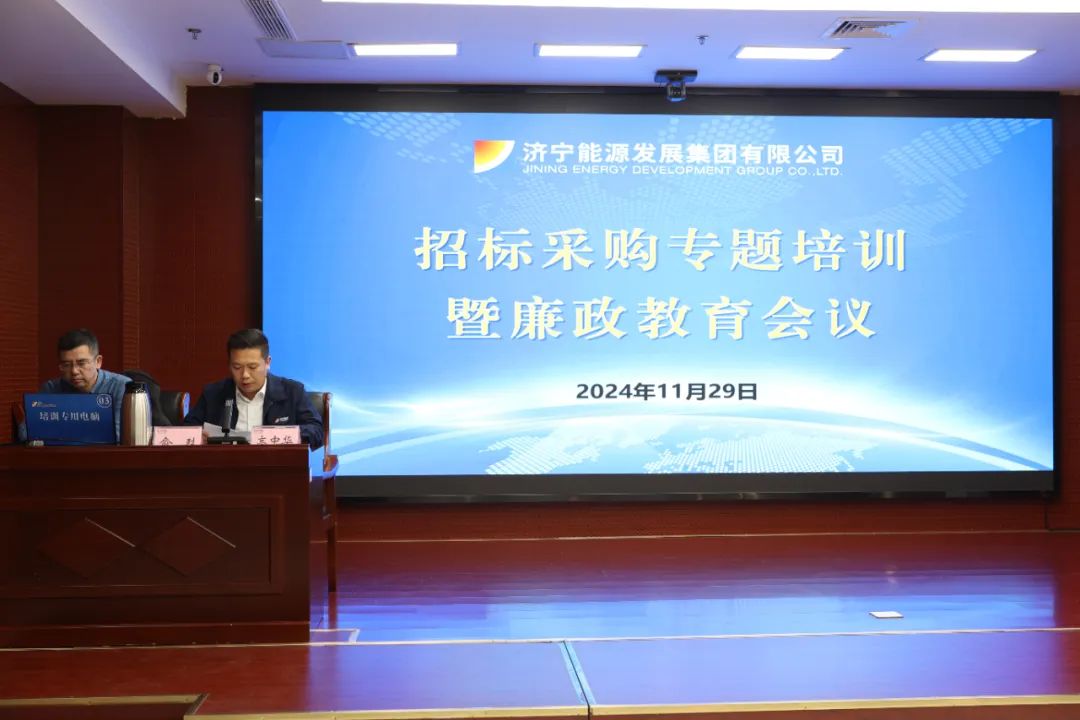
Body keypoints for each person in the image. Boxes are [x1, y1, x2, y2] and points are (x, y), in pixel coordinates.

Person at [183, 328, 323, 449]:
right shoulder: (214, 394)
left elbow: (316, 431)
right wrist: (197, 436)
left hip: (275, 467)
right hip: (225, 467)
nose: (245, 375)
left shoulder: (292, 392)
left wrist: (284, 435)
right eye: (237, 367)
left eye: (252, 367)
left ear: (267, 362)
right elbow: (186, 431)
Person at [40, 328, 131, 440]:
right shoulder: (51, 389)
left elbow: (119, 436)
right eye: (66, 365)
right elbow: (27, 433)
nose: (74, 371)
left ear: (98, 362)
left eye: (81, 363)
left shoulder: (122, 387)